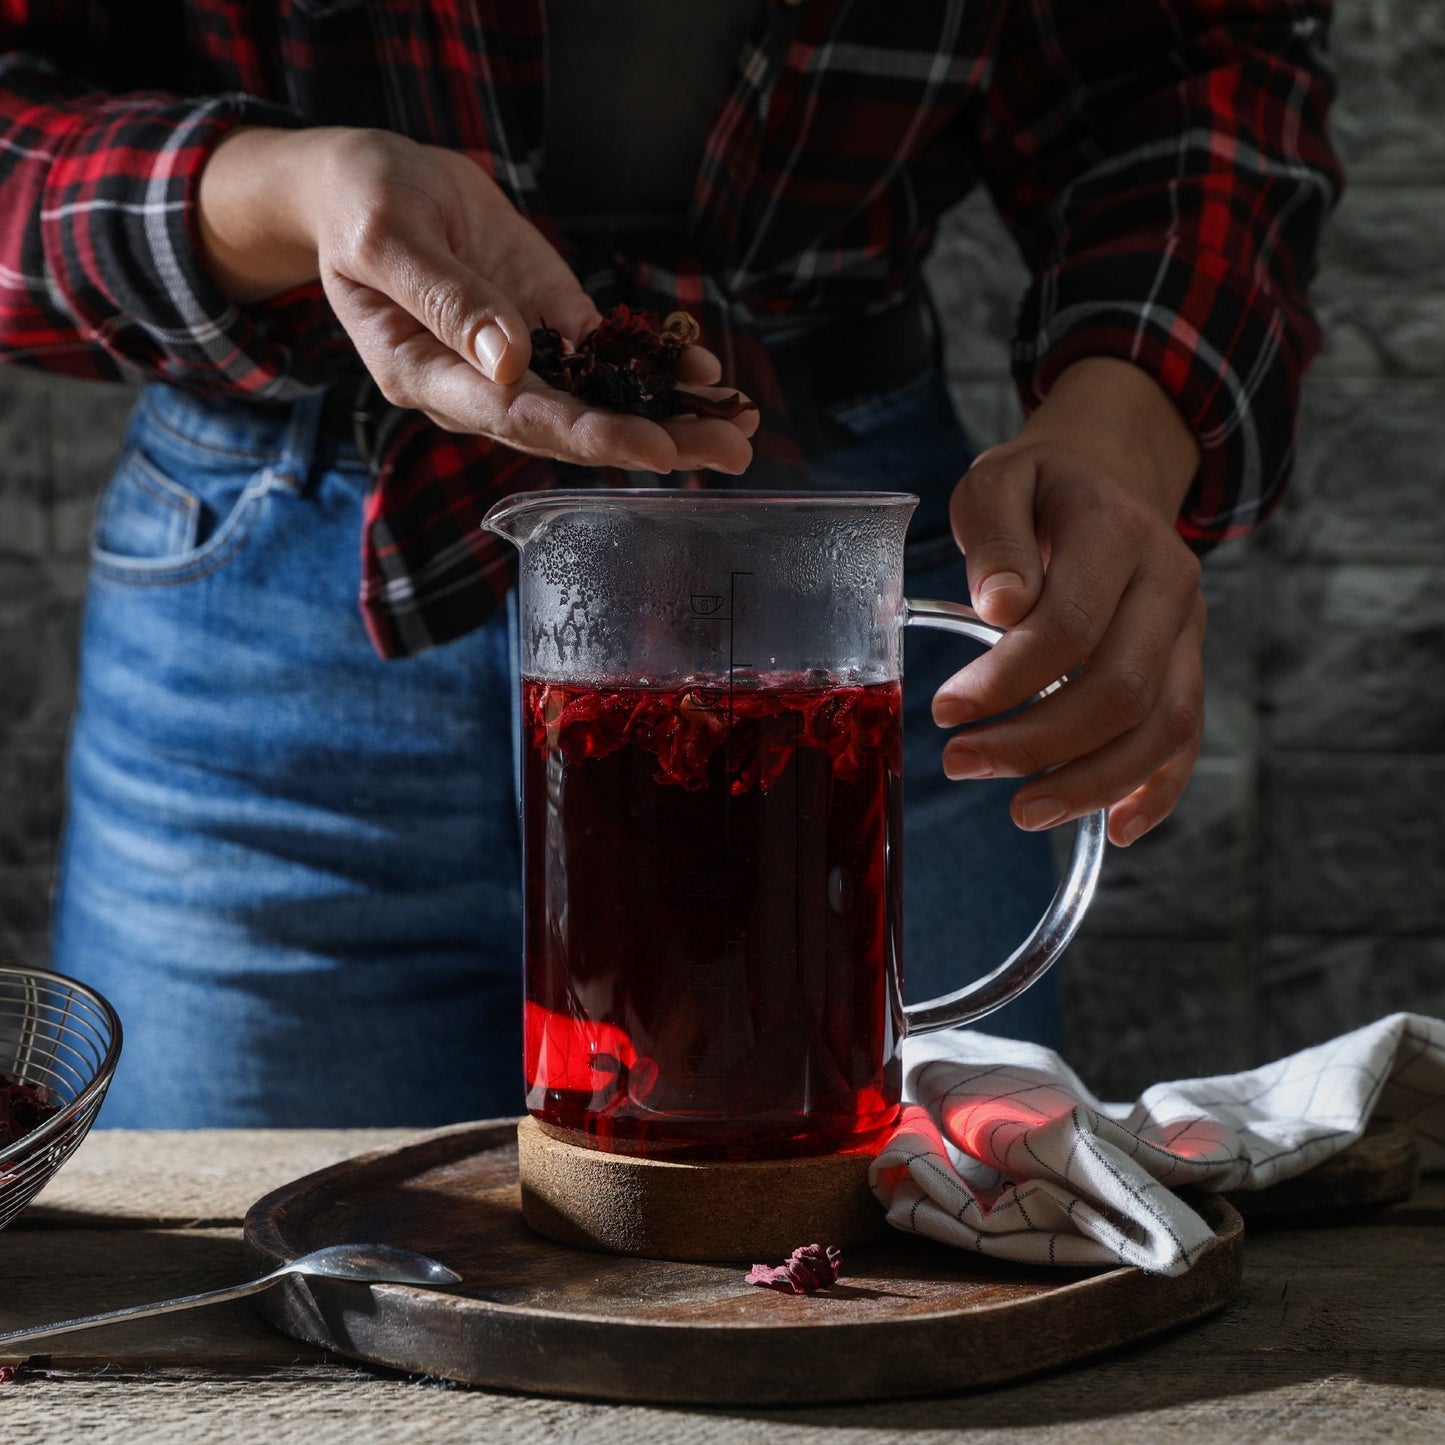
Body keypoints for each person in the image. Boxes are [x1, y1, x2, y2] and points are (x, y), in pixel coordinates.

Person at [0, 3, 1341, 1126]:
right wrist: (279, 196)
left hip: (844, 559)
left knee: (892, 1319)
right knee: (242, 1332)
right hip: (270, 616)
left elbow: (1189, 65)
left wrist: (1121, 440)